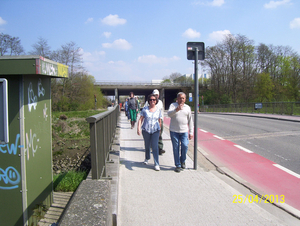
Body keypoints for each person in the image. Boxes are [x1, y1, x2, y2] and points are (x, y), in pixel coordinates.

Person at [167, 92, 194, 173]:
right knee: (176, 148)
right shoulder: (173, 105)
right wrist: (176, 109)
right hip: (174, 131)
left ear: (185, 99)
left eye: (183, 98)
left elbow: (190, 120)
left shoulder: (187, 108)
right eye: (179, 98)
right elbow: (169, 114)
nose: (181, 100)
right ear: (177, 99)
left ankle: (183, 160)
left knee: (185, 146)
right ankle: (178, 165)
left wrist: (191, 132)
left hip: (184, 131)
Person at [137, 94, 162, 171]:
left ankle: (156, 163)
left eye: (154, 100)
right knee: (147, 145)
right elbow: (141, 119)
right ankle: (147, 158)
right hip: (146, 130)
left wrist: (160, 130)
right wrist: (138, 128)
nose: (152, 101)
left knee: (155, 146)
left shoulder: (158, 110)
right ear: (148, 101)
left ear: (156, 101)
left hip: (155, 130)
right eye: (151, 100)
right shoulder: (145, 109)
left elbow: (159, 121)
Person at [144, 89, 165, 155]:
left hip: (159, 120)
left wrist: (162, 119)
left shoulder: (160, 102)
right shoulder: (148, 102)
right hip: (150, 121)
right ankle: (151, 146)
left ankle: (160, 148)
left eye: (157, 95)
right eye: (155, 95)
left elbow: (162, 111)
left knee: (159, 134)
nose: (156, 96)